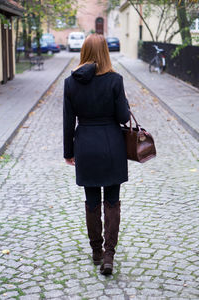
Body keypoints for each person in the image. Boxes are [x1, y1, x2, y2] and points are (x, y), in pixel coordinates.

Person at [63, 34, 130, 275]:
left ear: (84, 51)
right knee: (112, 200)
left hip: (86, 146)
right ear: (105, 52)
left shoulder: (70, 83)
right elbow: (123, 117)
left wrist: (68, 152)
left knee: (92, 201)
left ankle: (96, 251)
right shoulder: (115, 80)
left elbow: (68, 121)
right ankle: (109, 255)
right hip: (112, 144)